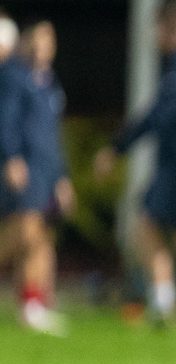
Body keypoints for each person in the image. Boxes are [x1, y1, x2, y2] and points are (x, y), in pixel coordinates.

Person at [94, 0, 176, 337]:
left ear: (175, 30)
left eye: (159, 29)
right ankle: (164, 305)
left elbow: (157, 116)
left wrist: (117, 146)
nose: (154, 37)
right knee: (151, 224)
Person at [0, 20, 73, 336]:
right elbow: (6, 120)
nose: (44, 46)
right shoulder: (15, 76)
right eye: (39, 39)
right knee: (26, 231)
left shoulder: (50, 83)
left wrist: (62, 177)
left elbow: (55, 135)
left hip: (47, 169)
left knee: (42, 234)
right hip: (26, 165)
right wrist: (12, 157)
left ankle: (34, 304)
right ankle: (31, 303)